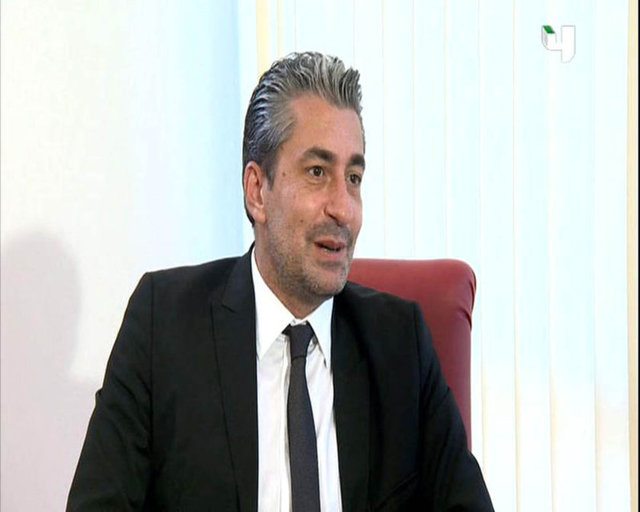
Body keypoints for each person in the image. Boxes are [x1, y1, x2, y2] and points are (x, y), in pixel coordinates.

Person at [67, 52, 493, 511]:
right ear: (257, 191)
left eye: (353, 177)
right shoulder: (164, 326)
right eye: (317, 172)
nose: (344, 208)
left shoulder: (399, 345)